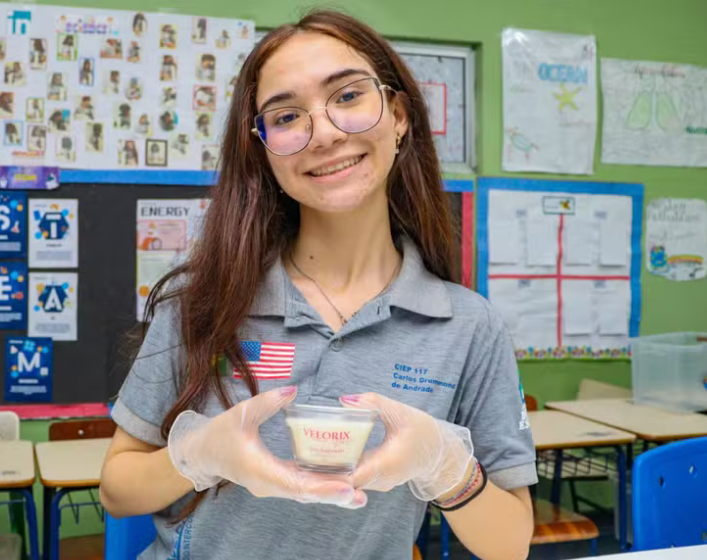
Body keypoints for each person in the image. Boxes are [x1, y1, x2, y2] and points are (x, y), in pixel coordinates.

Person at [101, 10, 536, 560]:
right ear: (264, 149)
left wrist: (448, 470)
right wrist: (198, 455)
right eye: (286, 116)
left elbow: (512, 544)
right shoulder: (203, 303)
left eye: (349, 96)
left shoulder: (468, 325)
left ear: (399, 115)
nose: (325, 133)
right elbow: (117, 489)